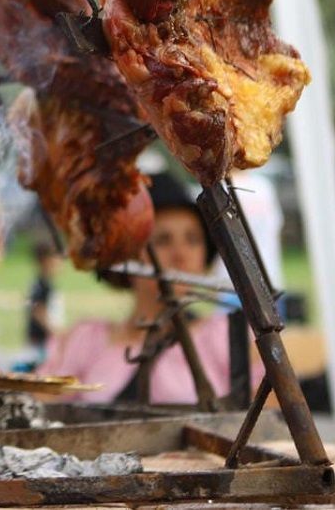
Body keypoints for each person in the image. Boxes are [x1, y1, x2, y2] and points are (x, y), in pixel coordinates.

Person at [39, 173, 262, 404]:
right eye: (163, 240)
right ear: (129, 255)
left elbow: (270, 412)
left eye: (192, 239)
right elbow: (40, 407)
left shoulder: (223, 337)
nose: (181, 255)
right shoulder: (87, 340)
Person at [25, 241, 62, 363]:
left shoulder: (43, 283)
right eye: (56, 259)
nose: (59, 263)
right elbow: (37, 309)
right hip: (42, 341)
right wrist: (56, 332)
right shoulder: (42, 285)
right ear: (45, 261)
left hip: (43, 341)